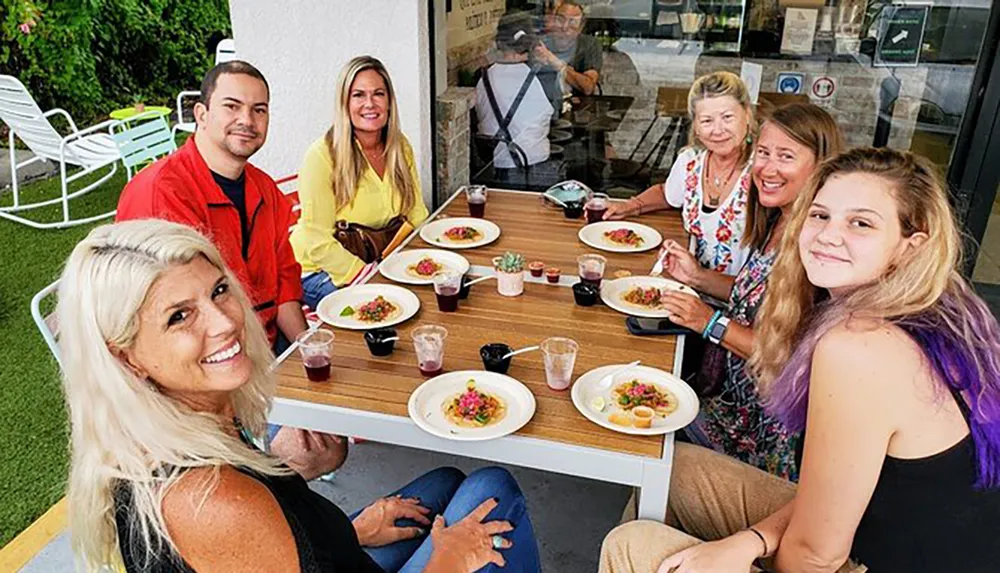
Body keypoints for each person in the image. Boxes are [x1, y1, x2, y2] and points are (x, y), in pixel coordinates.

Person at [59, 219, 541, 573]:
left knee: (447, 479)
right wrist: (450, 560)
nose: (225, 321)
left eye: (219, 290)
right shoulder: (210, 501)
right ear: (127, 358)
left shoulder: (177, 428)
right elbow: (243, 527)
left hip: (327, 549)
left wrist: (348, 528)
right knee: (492, 489)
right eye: (179, 316)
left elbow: (266, 546)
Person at [600, 147, 1000, 573]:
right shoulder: (941, 307)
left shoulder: (859, 346)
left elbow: (815, 556)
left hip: (879, 559)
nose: (828, 234)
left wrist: (744, 556)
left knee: (634, 546)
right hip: (874, 526)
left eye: (860, 222)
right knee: (670, 469)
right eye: (820, 215)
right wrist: (751, 542)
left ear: (909, 245)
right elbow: (846, 495)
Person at [116, 60, 345, 481]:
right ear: (201, 115)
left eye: (260, 109)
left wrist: (308, 351)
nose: (247, 119)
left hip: (259, 350)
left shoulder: (264, 189)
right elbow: (160, 334)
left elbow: (285, 282)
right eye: (232, 106)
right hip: (199, 371)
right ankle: (256, 494)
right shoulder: (161, 194)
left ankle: (282, 504)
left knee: (334, 437)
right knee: (307, 450)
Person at [658, 103, 843, 481]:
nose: (767, 168)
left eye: (786, 156)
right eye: (763, 153)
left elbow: (785, 355)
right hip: (724, 395)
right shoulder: (778, 219)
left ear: (821, 165)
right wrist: (698, 277)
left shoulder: (818, 243)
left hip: (757, 430)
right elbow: (752, 296)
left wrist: (708, 322)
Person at [290, 55, 429, 309]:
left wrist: (432, 255)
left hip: (376, 258)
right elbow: (316, 240)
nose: (370, 104)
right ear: (344, 102)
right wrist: (367, 277)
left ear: (389, 101)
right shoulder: (322, 156)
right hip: (320, 270)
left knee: (428, 292)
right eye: (358, 95)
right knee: (386, 309)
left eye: (378, 94)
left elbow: (416, 212)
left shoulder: (399, 147)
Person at [604, 71, 755, 276]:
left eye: (727, 117)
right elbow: (667, 193)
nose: (717, 130)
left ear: (747, 114)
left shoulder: (763, 170)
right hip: (689, 283)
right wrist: (631, 206)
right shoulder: (691, 161)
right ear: (696, 127)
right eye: (707, 120)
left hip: (742, 298)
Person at [475, 10, 553, 170]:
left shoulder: (481, 76)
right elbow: (555, 112)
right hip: (534, 163)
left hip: (492, 165)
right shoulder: (544, 77)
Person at [534, 0, 602, 108]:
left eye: (572, 22)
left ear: (581, 26)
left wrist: (556, 63)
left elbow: (588, 88)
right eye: (560, 20)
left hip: (577, 111)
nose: (564, 27)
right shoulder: (541, 44)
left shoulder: (589, 44)